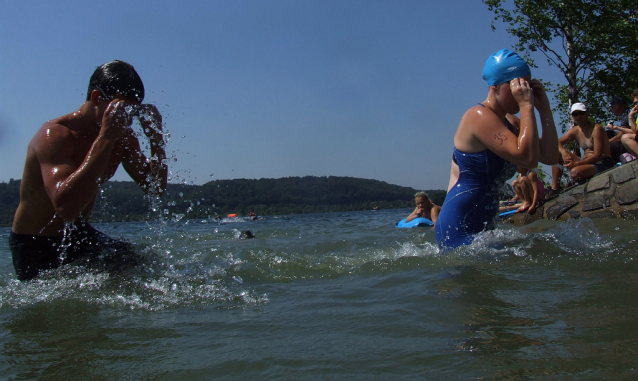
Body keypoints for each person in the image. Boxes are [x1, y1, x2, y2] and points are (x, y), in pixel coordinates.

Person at [9, 60, 167, 281]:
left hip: (78, 234)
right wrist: (106, 138)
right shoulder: (55, 136)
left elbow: (155, 188)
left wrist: (157, 140)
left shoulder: (122, 139)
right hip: (35, 241)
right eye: (119, 108)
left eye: (132, 110)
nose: (126, 118)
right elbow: (66, 207)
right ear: (95, 97)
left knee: (139, 264)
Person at [435, 49, 559, 250]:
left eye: (527, 87)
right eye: (516, 87)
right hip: (458, 228)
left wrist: (544, 109)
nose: (523, 93)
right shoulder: (477, 116)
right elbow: (527, 158)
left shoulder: (511, 123)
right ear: (495, 86)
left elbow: (550, 155)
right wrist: (527, 106)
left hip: (488, 227)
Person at [551, 103, 613, 187]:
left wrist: (576, 164)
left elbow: (598, 156)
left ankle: (578, 178)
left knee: (575, 173)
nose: (578, 116)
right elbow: (556, 142)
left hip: (602, 163)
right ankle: (555, 188)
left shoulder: (596, 129)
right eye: (575, 114)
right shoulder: (575, 130)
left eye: (581, 113)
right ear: (572, 116)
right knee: (555, 153)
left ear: (587, 114)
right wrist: (564, 152)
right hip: (585, 162)